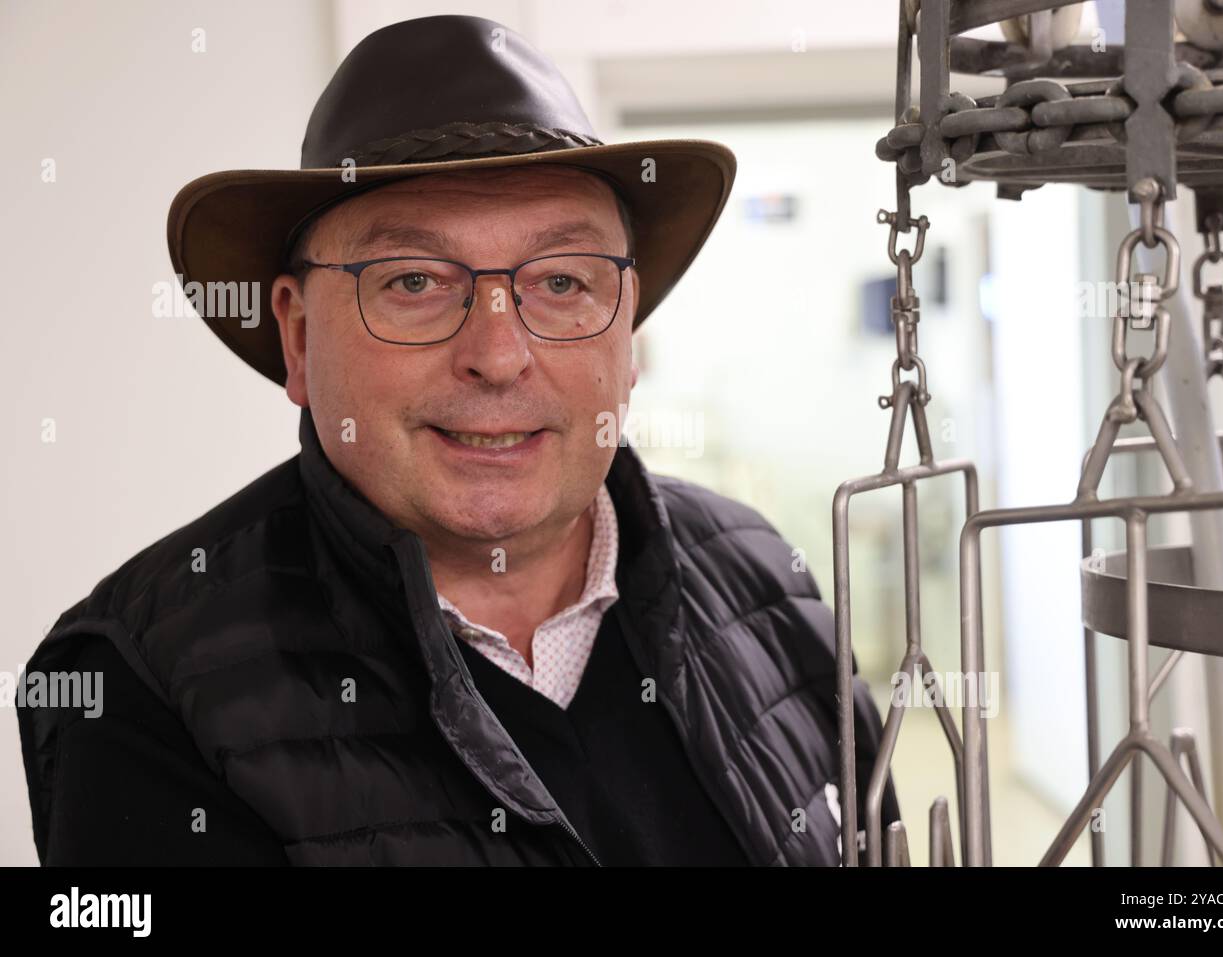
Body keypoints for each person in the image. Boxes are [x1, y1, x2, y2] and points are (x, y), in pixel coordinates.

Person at [19, 13, 898, 866]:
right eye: (412, 280)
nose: (498, 354)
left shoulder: (758, 572)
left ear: (625, 332)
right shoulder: (143, 688)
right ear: (296, 336)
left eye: (560, 280)